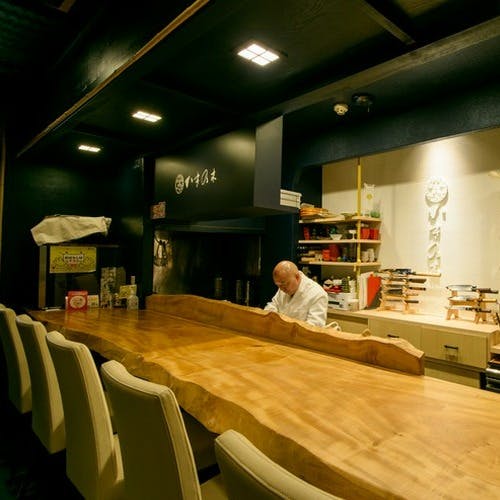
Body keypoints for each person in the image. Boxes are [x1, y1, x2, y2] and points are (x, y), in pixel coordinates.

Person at [264, 260, 328, 327]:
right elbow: (273, 305)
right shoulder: (283, 285)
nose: (282, 289)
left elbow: (314, 326)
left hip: (301, 333)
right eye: (278, 285)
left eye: (285, 284)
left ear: (297, 277)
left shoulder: (317, 294)